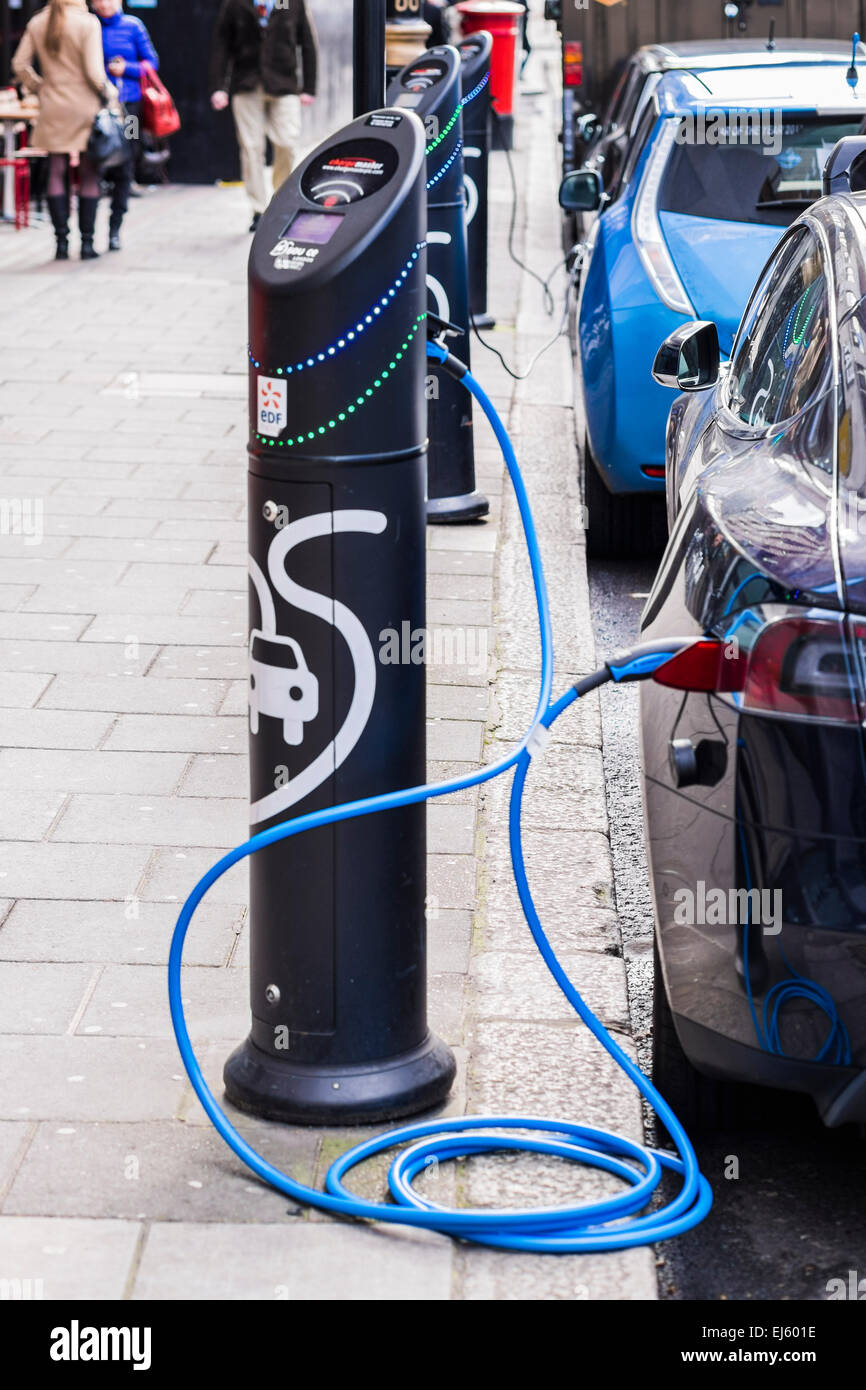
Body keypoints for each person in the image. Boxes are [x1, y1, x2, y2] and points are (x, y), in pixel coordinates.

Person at [13, 0, 119, 260]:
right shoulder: (87, 22)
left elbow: (19, 64)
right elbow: (95, 73)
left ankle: (61, 243)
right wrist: (110, 94)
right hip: (84, 106)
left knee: (56, 170)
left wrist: (40, 86)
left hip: (53, 105)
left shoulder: (38, 21)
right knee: (89, 173)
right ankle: (86, 244)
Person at [209, 0, 318, 233]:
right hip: (246, 84)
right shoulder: (235, 4)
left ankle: (280, 201)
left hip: (284, 84)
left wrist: (309, 87)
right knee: (251, 148)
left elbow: (307, 43)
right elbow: (222, 45)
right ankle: (259, 209)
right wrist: (219, 87)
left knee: (287, 143)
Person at [92, 0, 159, 252]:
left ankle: (115, 229)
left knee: (125, 161)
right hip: (99, 110)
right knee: (95, 164)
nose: (104, 3)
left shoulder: (133, 26)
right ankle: (89, 231)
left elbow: (151, 63)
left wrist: (126, 69)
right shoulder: (90, 27)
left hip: (129, 108)